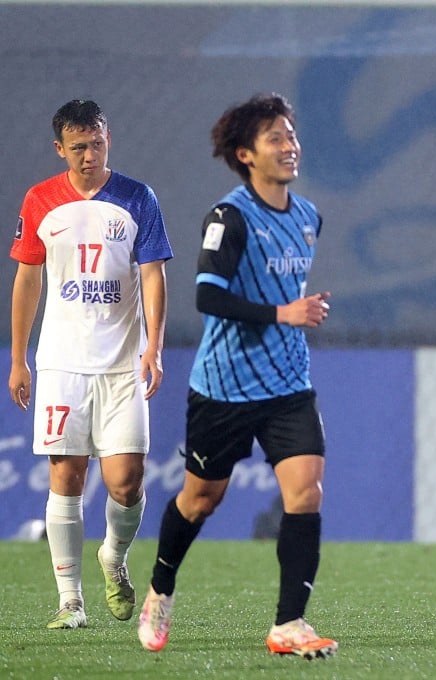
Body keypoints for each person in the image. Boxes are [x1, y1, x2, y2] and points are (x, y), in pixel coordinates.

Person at [136, 93, 336, 660]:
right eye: (276, 137)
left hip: (288, 384)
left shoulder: (308, 216)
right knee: (201, 500)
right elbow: (206, 294)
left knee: (306, 491)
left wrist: (297, 310)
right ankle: (160, 589)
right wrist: (283, 313)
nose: (290, 145)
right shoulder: (230, 217)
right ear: (246, 154)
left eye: (291, 135)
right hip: (224, 385)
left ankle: (289, 625)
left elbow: (283, 295)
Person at [8, 99, 172, 629]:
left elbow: (152, 274)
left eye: (96, 143)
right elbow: (28, 279)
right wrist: (19, 357)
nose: (88, 155)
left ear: (108, 140)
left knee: (126, 482)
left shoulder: (137, 198)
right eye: (77, 147)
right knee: (67, 474)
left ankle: (114, 557)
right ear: (60, 149)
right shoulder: (39, 201)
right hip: (60, 364)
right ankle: (70, 600)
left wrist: (154, 345)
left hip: (123, 364)